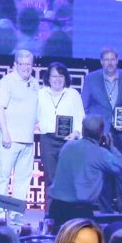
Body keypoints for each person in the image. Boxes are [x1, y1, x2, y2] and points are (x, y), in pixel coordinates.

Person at [81, 46, 122, 207]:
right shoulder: (91, 79)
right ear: (101, 62)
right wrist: (92, 127)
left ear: (117, 60)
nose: (109, 63)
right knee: (102, 175)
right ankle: (105, 213)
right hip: (100, 135)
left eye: (112, 59)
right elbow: (84, 106)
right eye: (106, 60)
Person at [47, 115, 122, 225]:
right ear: (101, 133)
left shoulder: (68, 146)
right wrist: (112, 147)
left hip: (56, 208)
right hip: (79, 212)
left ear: (83, 130)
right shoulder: (100, 153)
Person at [0, 49, 38, 225]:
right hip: (9, 138)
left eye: (29, 64)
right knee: (3, 176)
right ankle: (0, 211)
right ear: (16, 64)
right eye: (23, 64)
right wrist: (5, 133)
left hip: (28, 139)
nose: (26, 67)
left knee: (23, 178)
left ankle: (15, 212)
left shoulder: (34, 83)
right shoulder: (6, 82)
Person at [35, 61, 83, 211]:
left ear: (65, 77)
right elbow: (33, 115)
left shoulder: (73, 94)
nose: (57, 79)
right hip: (47, 140)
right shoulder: (40, 93)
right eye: (54, 76)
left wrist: (76, 133)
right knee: (50, 178)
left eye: (61, 76)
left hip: (68, 142)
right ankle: (50, 214)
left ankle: (65, 213)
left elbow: (80, 117)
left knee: (67, 179)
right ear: (48, 78)